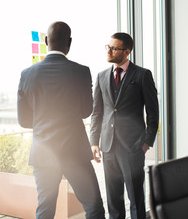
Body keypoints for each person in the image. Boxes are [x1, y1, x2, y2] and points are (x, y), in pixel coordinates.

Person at [17, 21, 105, 219]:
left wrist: (44, 121)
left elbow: (23, 121)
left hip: (43, 153)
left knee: (45, 210)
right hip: (74, 152)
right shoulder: (81, 71)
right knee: (94, 208)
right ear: (69, 42)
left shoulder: (26, 74)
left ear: (46, 40)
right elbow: (85, 111)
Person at [90, 32, 159, 219]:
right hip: (108, 147)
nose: (109, 50)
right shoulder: (102, 76)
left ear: (126, 52)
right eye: (108, 47)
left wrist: (146, 144)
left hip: (133, 148)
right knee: (113, 201)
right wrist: (94, 142)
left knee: (136, 199)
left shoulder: (142, 75)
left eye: (114, 48)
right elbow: (97, 112)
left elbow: (153, 113)